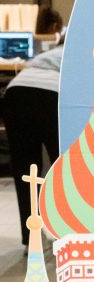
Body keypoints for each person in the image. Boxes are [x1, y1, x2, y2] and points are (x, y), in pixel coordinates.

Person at [2, 27, 63, 249]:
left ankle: (31, 240)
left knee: (25, 171)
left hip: (16, 94)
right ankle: (65, 234)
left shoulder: (47, 55)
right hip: (52, 96)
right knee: (62, 168)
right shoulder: (83, 54)